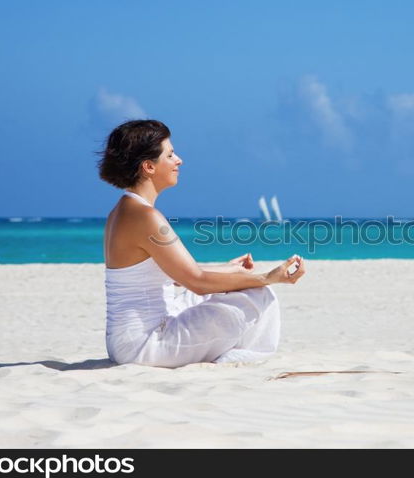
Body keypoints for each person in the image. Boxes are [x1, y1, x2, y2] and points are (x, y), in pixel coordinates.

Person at [97, 119, 305, 368]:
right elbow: (196, 282)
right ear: (149, 167)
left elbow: (176, 276)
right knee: (258, 294)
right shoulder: (146, 217)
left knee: (238, 287)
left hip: (127, 341)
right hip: (144, 345)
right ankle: (233, 358)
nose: (179, 160)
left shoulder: (124, 209)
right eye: (171, 154)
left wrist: (230, 269)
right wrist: (268, 278)